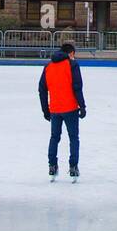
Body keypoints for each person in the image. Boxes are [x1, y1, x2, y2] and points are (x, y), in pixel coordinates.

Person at [39, 42, 86, 180]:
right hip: (70, 108)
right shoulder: (72, 65)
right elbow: (77, 87)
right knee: (73, 138)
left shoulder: (48, 66)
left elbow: (42, 90)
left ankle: (52, 166)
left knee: (54, 137)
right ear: (71, 53)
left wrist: (45, 110)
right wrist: (82, 106)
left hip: (54, 109)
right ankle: (73, 166)